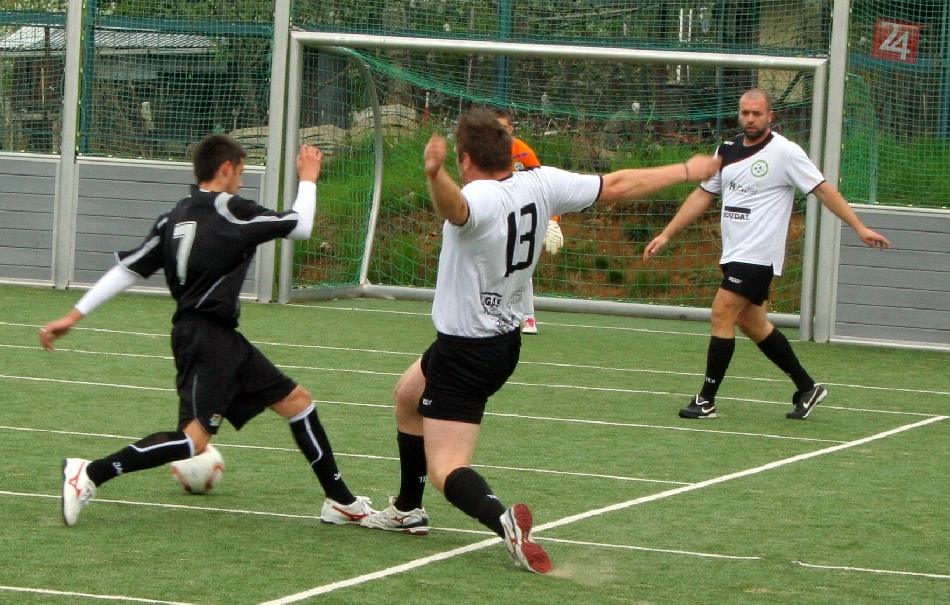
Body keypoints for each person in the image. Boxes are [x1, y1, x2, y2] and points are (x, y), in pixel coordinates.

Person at [358, 109, 720, 573]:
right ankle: (407, 509)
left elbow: (455, 208)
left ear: (465, 159)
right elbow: (617, 184)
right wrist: (687, 169)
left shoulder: (479, 196)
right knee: (408, 394)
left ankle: (503, 521)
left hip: (467, 349)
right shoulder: (541, 182)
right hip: (504, 340)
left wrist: (434, 174)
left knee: (446, 468)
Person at [42, 134, 375, 526]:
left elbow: (127, 269)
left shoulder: (173, 216)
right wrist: (308, 177)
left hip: (211, 338)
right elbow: (299, 227)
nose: (242, 182)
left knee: (297, 402)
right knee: (192, 441)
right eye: (241, 173)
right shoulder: (230, 209)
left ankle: (340, 501)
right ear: (226, 168)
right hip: (208, 340)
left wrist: (73, 315)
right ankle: (90, 473)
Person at [643, 88, 891, 421]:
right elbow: (703, 195)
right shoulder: (727, 150)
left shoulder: (785, 152)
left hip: (760, 254)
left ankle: (706, 400)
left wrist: (858, 227)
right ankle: (807, 387)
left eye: (757, 113)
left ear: (770, 116)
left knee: (721, 313)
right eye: (745, 113)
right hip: (734, 252)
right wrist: (667, 233)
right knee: (752, 323)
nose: (750, 119)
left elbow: (823, 189)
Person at [491, 108, 563, 335]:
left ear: (511, 129)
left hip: (522, 218)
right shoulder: (483, 153)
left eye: (503, 128)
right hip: (494, 217)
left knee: (520, 266)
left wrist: (552, 220)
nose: (499, 133)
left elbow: (542, 186)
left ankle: (528, 318)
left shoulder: (522, 151)